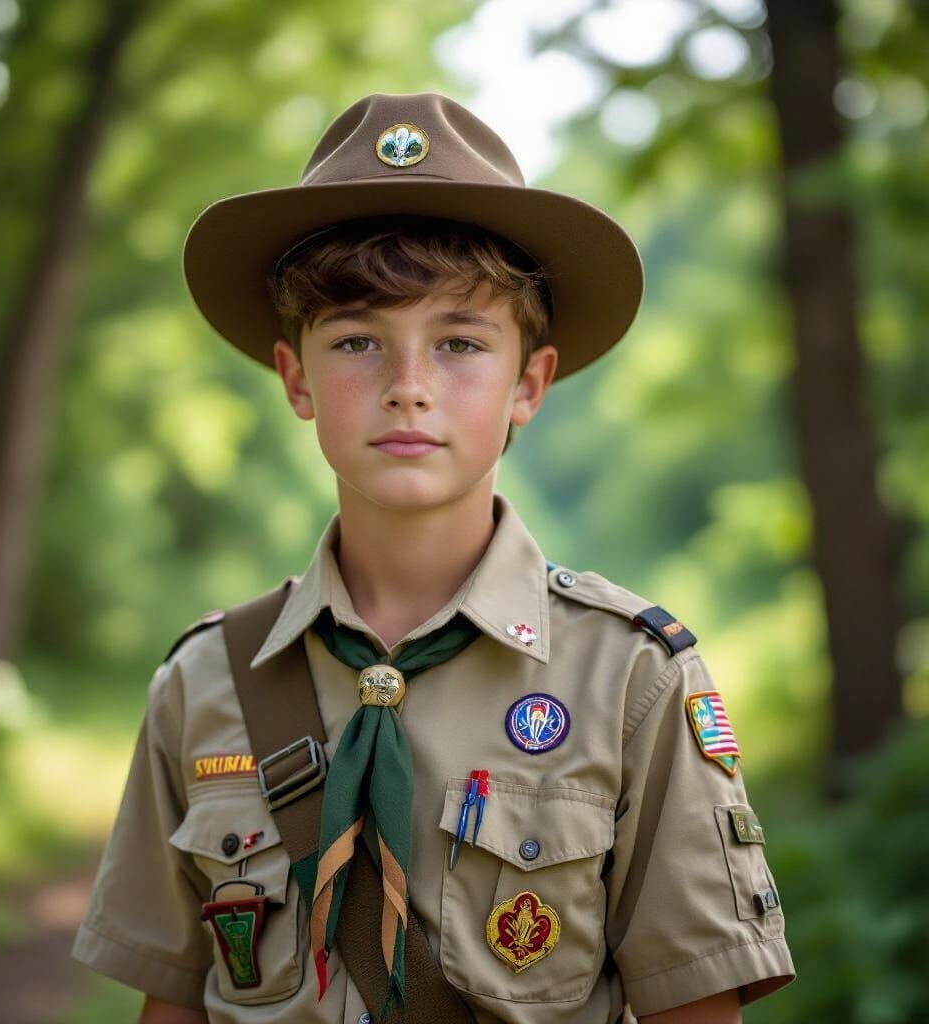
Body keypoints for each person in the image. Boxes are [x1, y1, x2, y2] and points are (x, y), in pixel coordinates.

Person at [70, 91, 796, 1024]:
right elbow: (172, 1002)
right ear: (296, 378)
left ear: (527, 384)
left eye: (459, 343)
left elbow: (694, 1008)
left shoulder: (632, 681)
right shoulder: (205, 681)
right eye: (358, 341)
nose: (408, 388)